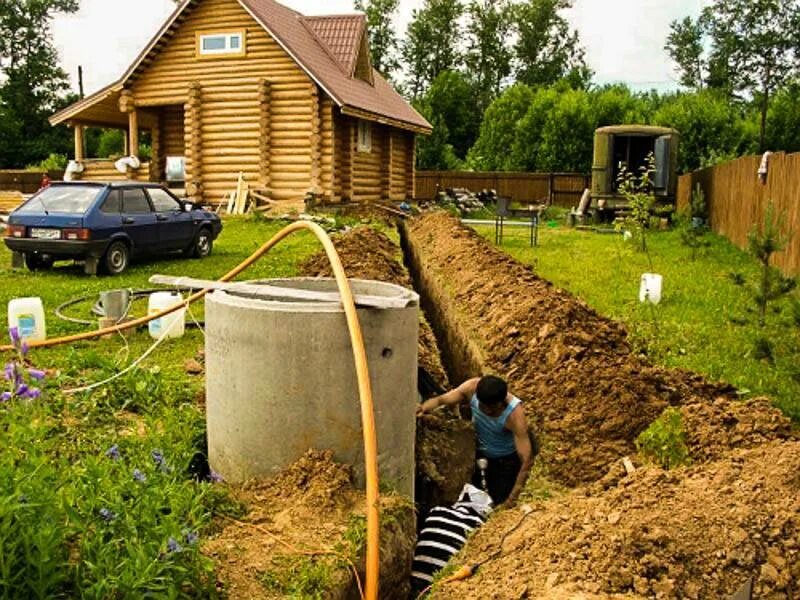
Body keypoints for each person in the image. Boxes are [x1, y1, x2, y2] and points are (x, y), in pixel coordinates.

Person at [417, 375, 533, 507]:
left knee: (495, 500)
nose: (487, 411)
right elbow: (441, 400)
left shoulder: (514, 416)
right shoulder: (471, 388)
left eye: (492, 408)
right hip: (477, 453)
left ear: (501, 402)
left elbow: (526, 460)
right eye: (483, 406)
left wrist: (512, 499)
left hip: (504, 462)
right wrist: (423, 408)